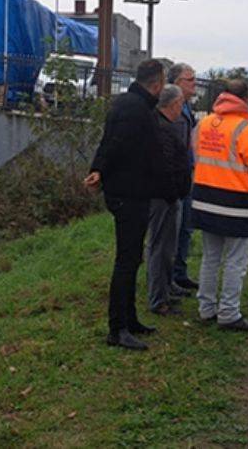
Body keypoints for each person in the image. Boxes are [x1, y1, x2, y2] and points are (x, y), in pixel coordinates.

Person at [85, 59, 166, 351]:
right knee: (126, 261)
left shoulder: (130, 104)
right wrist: (100, 170)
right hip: (128, 194)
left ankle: (130, 320)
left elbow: (107, 142)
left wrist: (98, 169)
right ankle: (117, 329)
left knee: (132, 260)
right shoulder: (135, 109)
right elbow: (115, 144)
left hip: (130, 191)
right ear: (157, 83)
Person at [191, 79, 248, 331]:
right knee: (235, 261)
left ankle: (206, 308)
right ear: (245, 99)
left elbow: (195, 155)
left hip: (204, 198)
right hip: (235, 204)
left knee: (210, 258)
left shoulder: (204, 124)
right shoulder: (246, 128)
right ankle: (228, 313)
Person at [146, 84, 193, 316]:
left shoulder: (161, 124)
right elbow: (165, 167)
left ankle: (164, 291)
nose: (181, 108)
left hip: (168, 196)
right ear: (174, 104)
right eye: (181, 104)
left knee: (165, 247)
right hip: (163, 198)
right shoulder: (163, 129)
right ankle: (158, 300)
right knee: (161, 249)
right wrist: (174, 192)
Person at [167, 63, 200, 295]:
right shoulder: (173, 109)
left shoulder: (187, 107)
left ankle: (179, 273)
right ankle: (168, 278)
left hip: (188, 174)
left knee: (186, 227)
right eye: (190, 79)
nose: (194, 83)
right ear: (177, 83)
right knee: (173, 230)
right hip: (176, 178)